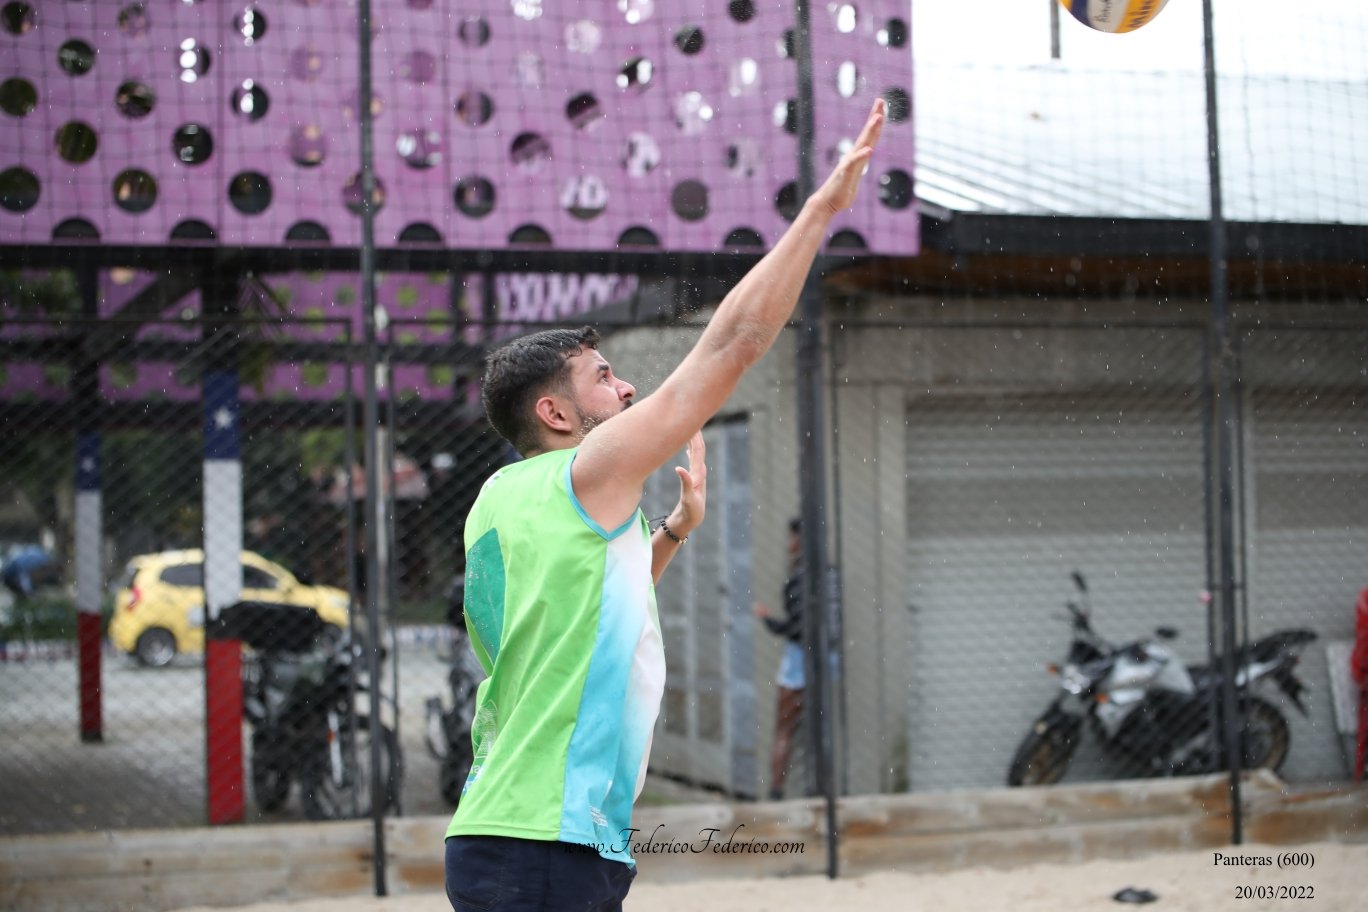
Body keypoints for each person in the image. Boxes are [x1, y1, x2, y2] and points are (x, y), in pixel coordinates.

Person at [444, 98, 886, 912]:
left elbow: (579, 610)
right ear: (554, 413)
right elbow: (732, 345)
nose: (627, 388)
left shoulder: (499, 499)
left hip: (507, 831)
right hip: (545, 838)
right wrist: (821, 213)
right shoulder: (588, 471)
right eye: (603, 377)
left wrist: (675, 532)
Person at [754, 517, 805, 801]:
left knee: (783, 728)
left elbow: (797, 626)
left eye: (793, 538)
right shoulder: (827, 573)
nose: (789, 545)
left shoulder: (800, 577)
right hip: (824, 657)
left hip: (799, 656)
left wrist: (769, 621)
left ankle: (776, 791)